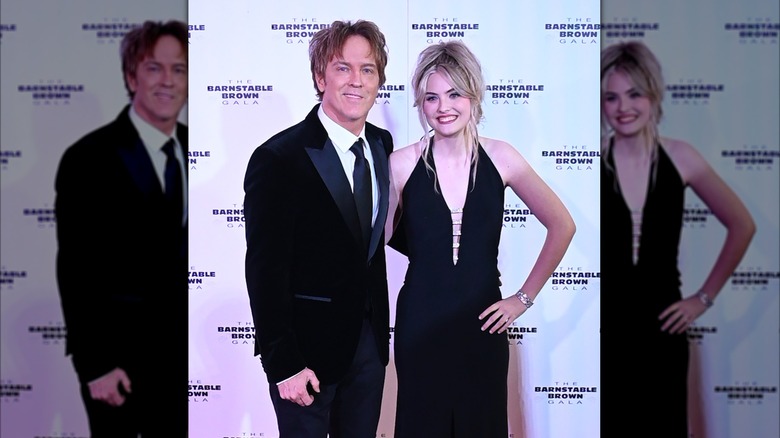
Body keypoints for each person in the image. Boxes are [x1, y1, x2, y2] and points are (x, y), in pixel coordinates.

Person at [386, 41, 576, 437]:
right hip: (419, 327)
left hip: (483, 325)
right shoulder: (401, 163)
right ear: (421, 103)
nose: (444, 107)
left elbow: (562, 224)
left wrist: (522, 298)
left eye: (455, 94)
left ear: (474, 95)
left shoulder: (502, 157)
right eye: (432, 97)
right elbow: (377, 240)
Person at [242, 19, 393, 438]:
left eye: (367, 69)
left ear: (378, 80)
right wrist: (283, 363)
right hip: (304, 358)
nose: (356, 80)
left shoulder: (381, 144)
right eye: (343, 68)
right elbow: (265, 270)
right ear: (320, 76)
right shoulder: (279, 157)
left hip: (368, 350)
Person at [599, 40, 756, 437]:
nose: (623, 107)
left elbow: (742, 225)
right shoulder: (593, 161)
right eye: (611, 97)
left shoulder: (681, 157)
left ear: (653, 95)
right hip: (609, 329)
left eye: (634, 94)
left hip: (664, 325)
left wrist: (703, 298)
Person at [54, 20, 189, 437]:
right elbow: (75, 269)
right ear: (132, 77)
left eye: (179, 69)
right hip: (118, 368)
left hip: (185, 365)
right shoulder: (89, 158)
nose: (168, 81)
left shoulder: (197, 147)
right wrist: (95, 365)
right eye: (154, 68)